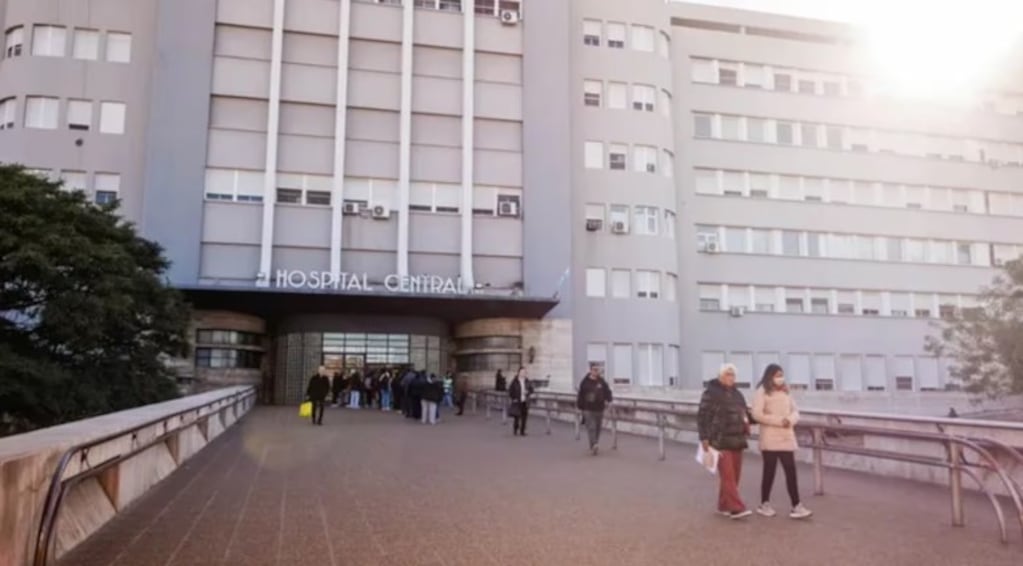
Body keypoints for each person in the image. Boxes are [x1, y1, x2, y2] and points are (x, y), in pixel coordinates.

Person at [752, 364, 812, 520]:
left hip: (786, 437)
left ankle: (796, 505)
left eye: (782, 375)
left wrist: (790, 420)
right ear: (770, 376)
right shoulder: (762, 391)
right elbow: (756, 414)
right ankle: (764, 504)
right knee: (769, 471)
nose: (780, 378)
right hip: (770, 437)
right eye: (777, 375)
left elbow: (795, 411)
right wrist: (779, 421)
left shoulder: (786, 391)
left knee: (791, 471)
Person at [698, 363, 753, 519]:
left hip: (737, 439)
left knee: (734, 475)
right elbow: (702, 416)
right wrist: (704, 437)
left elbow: (745, 414)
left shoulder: (738, 394)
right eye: (728, 374)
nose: (731, 377)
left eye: (733, 374)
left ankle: (723, 506)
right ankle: (736, 508)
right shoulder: (711, 393)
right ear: (720, 376)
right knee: (728, 475)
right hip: (719, 439)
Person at [576, 364, 613, 454]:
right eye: (594, 370)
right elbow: (581, 395)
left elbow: (607, 391)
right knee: (591, 427)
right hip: (588, 408)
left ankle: (593, 444)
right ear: (591, 370)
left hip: (599, 408)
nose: (596, 372)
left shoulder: (602, 381)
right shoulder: (585, 382)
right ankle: (594, 444)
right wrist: (580, 407)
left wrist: (609, 400)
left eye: (597, 370)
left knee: (597, 428)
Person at [508, 367, 534, 436]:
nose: (523, 373)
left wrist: (528, 392)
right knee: (517, 416)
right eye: (522, 372)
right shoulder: (515, 381)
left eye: (524, 372)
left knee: (524, 417)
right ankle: (515, 429)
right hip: (517, 401)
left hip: (525, 401)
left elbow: (532, 390)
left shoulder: (527, 381)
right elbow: (510, 390)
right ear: (519, 373)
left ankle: (522, 431)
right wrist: (514, 398)